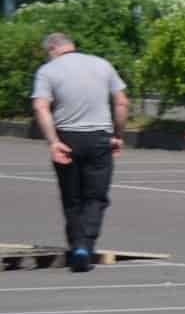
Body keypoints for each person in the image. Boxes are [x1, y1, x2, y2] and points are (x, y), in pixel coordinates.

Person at [30, 32, 129, 273]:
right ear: (71, 45)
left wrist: (53, 142)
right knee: (96, 197)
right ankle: (85, 245)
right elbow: (121, 102)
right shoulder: (102, 64)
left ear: (52, 48)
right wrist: (118, 135)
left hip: (67, 138)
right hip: (99, 137)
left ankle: (77, 246)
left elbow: (40, 106)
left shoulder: (47, 71)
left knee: (72, 197)